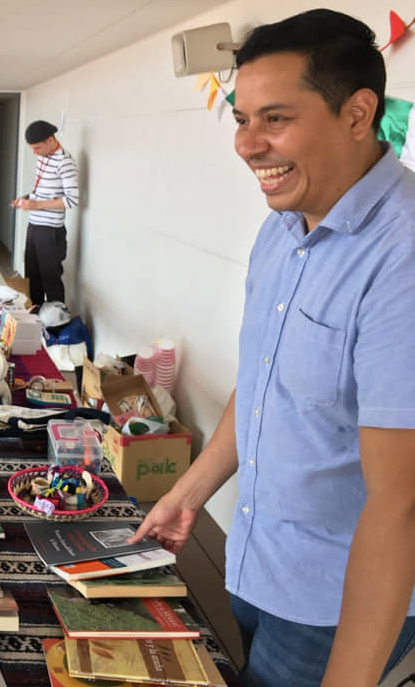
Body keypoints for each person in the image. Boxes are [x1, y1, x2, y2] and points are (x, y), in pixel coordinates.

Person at [129, 10, 415, 687]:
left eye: (275, 119)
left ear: (356, 114)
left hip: (332, 603)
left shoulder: (400, 257)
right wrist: (188, 492)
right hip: (257, 561)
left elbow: (400, 505)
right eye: (240, 119)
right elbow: (266, 386)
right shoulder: (283, 228)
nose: (247, 145)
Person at [11, 119, 79, 307]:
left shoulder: (65, 162)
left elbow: (71, 200)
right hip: (34, 225)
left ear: (50, 140)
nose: (34, 152)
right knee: (32, 276)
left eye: (37, 147)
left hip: (51, 230)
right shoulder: (43, 157)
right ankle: (36, 317)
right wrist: (25, 199)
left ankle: (57, 319)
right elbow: (42, 192)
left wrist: (36, 204)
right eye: (32, 148)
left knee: (51, 279)